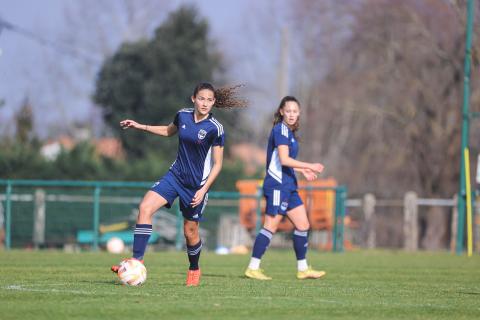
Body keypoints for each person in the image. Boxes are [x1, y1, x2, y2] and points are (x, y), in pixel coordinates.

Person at [111, 83, 245, 286]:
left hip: (196, 186)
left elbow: (218, 164)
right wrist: (140, 126)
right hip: (175, 177)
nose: (205, 103)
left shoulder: (215, 128)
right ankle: (136, 261)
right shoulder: (182, 115)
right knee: (145, 208)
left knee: (190, 232)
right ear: (193, 98)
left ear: (214, 102)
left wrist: (203, 189)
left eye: (209, 100)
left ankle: (194, 268)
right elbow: (167, 131)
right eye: (201, 98)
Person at [244, 96, 326, 280]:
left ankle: (303, 269)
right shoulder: (280, 130)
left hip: (289, 185)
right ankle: (253, 267)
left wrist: (302, 170)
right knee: (270, 226)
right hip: (277, 186)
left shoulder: (289, 133)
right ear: (281, 111)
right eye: (288, 111)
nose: (291, 114)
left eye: (295, 111)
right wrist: (310, 165)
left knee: (303, 225)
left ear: (299, 114)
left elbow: (286, 163)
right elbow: (283, 159)